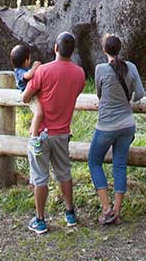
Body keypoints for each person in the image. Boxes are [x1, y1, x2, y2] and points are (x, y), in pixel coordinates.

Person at [22, 31, 86, 235]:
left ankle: (40, 219)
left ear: (56, 48)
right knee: (64, 173)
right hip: (62, 133)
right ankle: (70, 213)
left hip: (40, 133)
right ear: (72, 51)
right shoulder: (79, 74)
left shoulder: (43, 71)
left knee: (40, 177)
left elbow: (25, 97)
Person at [88, 34, 145, 225]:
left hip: (106, 125)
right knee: (119, 165)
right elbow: (141, 93)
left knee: (94, 161)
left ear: (104, 50)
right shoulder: (131, 67)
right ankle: (117, 213)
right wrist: (130, 100)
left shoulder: (100, 69)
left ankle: (106, 208)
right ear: (120, 48)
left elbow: (99, 93)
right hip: (127, 124)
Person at [10, 44, 44, 154]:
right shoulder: (19, 71)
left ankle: (33, 130)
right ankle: (34, 138)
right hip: (28, 96)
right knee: (39, 113)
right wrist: (35, 67)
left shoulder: (23, 68)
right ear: (26, 60)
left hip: (33, 93)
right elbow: (28, 76)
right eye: (30, 58)